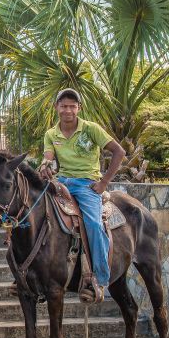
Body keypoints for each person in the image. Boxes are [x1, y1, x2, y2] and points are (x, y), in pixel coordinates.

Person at [37, 88, 125, 303]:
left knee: (94, 224)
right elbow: (49, 157)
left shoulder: (91, 129)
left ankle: (99, 279)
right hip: (61, 182)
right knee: (32, 209)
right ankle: (30, 274)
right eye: (63, 105)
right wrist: (44, 165)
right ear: (57, 107)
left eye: (72, 106)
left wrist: (104, 182)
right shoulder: (51, 134)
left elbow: (119, 152)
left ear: (79, 108)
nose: (68, 110)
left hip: (86, 185)